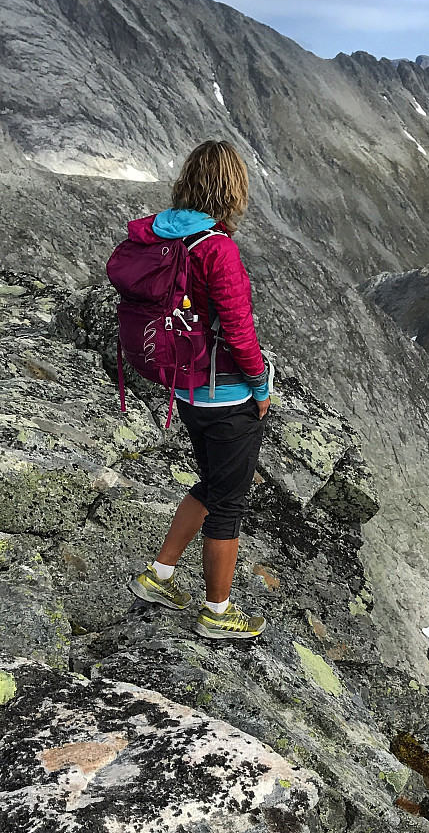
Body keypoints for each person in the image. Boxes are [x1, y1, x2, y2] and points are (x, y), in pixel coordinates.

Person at [128, 140, 271, 639]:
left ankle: (159, 576)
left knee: (209, 486)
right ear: (232, 190)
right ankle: (217, 612)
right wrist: (260, 384)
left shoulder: (164, 235)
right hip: (225, 395)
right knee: (228, 501)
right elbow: (237, 328)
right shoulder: (217, 248)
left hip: (183, 389)